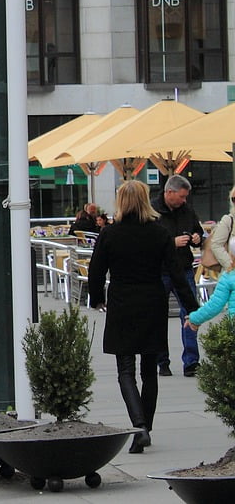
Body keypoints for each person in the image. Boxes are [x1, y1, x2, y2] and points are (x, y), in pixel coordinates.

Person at [88, 180, 199, 453]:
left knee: (125, 370)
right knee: (150, 370)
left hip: (122, 302)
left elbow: (96, 271)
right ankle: (144, 428)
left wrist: (97, 299)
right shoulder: (159, 233)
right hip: (152, 299)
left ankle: (138, 426)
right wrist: (192, 308)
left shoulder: (110, 234)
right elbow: (176, 273)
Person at [152, 174, 205, 377]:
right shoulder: (152, 211)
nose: (184, 200)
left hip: (183, 269)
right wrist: (171, 243)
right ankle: (161, 361)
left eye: (186, 197)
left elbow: (199, 233)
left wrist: (197, 238)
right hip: (161, 271)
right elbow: (147, 242)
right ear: (169, 192)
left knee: (191, 313)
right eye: (181, 196)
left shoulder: (187, 211)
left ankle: (191, 362)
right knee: (158, 316)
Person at [204, 184, 235, 274]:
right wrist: (231, 265)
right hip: (231, 275)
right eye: (233, 199)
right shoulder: (228, 220)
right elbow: (216, 245)